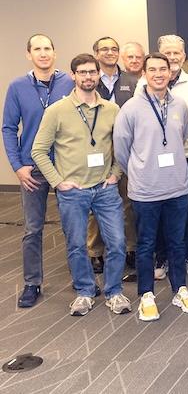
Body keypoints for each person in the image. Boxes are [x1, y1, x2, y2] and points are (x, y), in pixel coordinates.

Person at [31, 53, 130, 317]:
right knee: (76, 245)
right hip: (73, 192)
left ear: (98, 75)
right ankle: (85, 291)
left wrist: (116, 173)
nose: (88, 77)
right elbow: (38, 150)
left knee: (117, 242)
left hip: (105, 189)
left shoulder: (112, 109)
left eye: (92, 72)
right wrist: (58, 182)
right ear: (73, 75)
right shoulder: (57, 111)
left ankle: (114, 291)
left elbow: (122, 146)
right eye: (82, 72)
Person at [113, 53, 188, 321]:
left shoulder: (179, 105)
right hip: (146, 189)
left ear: (170, 73)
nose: (159, 74)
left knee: (177, 242)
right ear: (144, 74)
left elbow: (181, 135)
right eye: (152, 69)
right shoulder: (131, 108)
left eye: (163, 69)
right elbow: (121, 148)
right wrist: (140, 170)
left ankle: (180, 289)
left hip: (176, 186)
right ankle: (147, 294)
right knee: (146, 244)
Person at [3, 34, 74, 308]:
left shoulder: (69, 82)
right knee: (33, 229)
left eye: (47, 48)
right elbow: (9, 128)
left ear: (55, 53)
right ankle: (32, 283)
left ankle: (80, 278)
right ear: (28, 54)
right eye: (37, 49)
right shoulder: (17, 86)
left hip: (65, 165)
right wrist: (17, 166)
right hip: (32, 168)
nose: (43, 53)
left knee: (72, 226)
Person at [137, 35, 188, 279]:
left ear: (184, 54)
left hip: (186, 157)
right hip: (154, 159)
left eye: (177, 52)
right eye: (167, 53)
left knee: (186, 210)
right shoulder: (143, 83)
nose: (172, 57)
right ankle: (162, 257)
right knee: (158, 208)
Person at [89, 36, 139, 272]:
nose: (109, 52)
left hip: (126, 149)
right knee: (96, 202)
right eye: (104, 49)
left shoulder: (132, 81)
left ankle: (131, 248)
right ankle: (95, 251)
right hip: (96, 151)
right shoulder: (90, 79)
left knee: (127, 202)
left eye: (114, 49)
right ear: (96, 53)